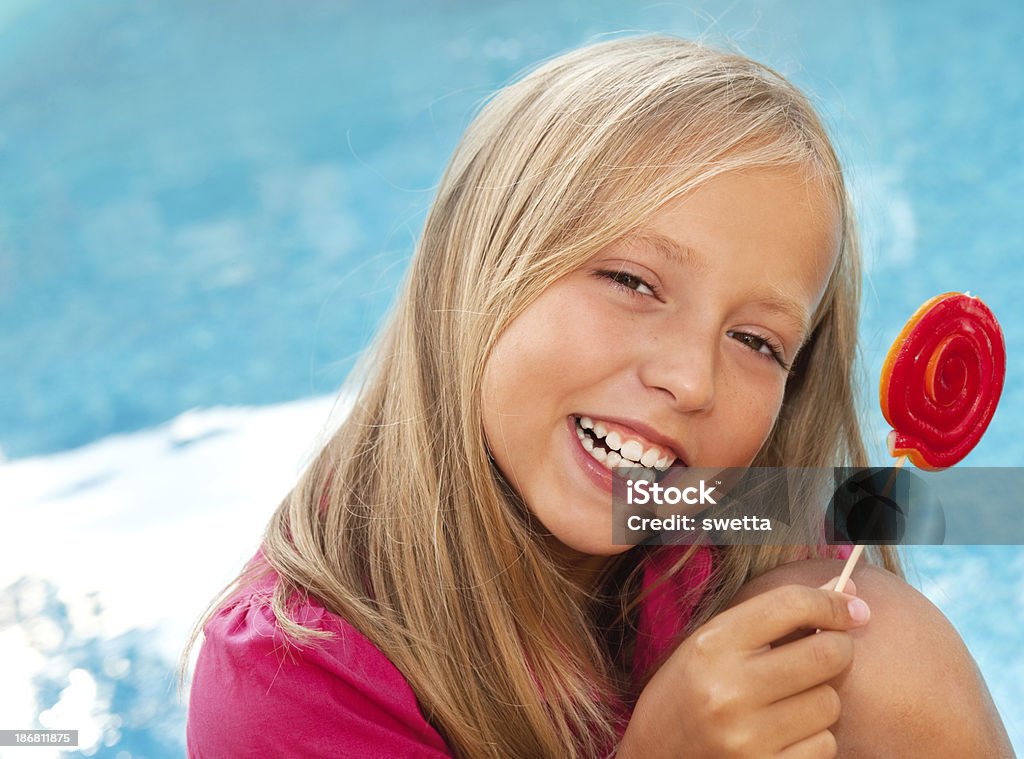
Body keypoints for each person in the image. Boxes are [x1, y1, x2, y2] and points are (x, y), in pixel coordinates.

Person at [184, 36, 1013, 758]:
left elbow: (977, 508)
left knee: (882, 643)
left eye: (758, 342)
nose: (690, 380)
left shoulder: (728, 515)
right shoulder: (285, 679)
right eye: (630, 281)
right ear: (480, 263)